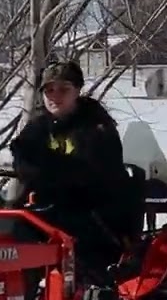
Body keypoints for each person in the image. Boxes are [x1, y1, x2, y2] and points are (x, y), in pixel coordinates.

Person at [9, 60, 137, 286]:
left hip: (96, 217)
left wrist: (44, 167)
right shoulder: (38, 127)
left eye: (63, 89)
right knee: (2, 230)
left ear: (77, 91)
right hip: (50, 209)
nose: (54, 96)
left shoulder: (97, 129)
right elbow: (22, 160)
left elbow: (85, 175)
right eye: (49, 90)